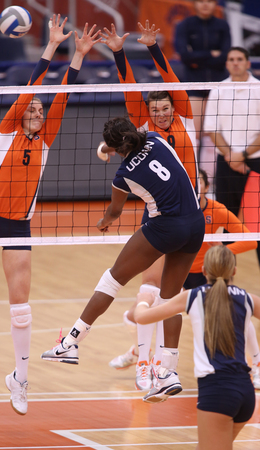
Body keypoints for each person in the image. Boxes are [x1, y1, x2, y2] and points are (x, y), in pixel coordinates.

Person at [0, 14, 101, 416]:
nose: (38, 111)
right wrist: (51, 46)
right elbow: (32, 89)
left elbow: (62, 96)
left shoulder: (47, 138)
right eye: (33, 109)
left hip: (20, 225)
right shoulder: (8, 130)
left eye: (41, 110)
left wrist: (78, 56)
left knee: (21, 309)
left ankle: (20, 380)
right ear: (22, 114)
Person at [41, 117, 205, 402]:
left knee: (112, 279)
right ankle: (167, 373)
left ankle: (71, 343)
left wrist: (104, 221)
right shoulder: (155, 138)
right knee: (169, 300)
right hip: (195, 224)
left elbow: (115, 212)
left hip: (166, 226)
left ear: (118, 148)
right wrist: (108, 147)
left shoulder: (124, 175)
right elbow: (132, 140)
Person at [98, 21, 199, 391]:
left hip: (193, 217)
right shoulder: (144, 133)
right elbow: (129, 90)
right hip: (160, 217)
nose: (159, 114)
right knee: (150, 290)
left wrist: (155, 49)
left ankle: (156, 361)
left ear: (174, 108)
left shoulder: (184, 117)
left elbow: (172, 82)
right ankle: (145, 366)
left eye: (163, 108)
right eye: (154, 110)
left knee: (182, 296)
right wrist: (118, 52)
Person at [109, 168, 260, 390]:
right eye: (189, 182)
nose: (193, 187)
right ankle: (138, 353)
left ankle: (256, 365)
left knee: (238, 312)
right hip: (176, 272)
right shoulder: (171, 208)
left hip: (205, 275)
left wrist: (219, 253)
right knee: (133, 317)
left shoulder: (217, 210)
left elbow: (251, 240)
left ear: (206, 188)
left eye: (198, 183)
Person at [134, 245, 259, 450]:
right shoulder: (248, 298)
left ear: (203, 271)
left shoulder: (193, 296)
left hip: (217, 393)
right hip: (246, 392)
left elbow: (142, 318)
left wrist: (143, 301)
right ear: (234, 270)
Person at [203, 46, 260, 264]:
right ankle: (223, 279)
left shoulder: (258, 88)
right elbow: (212, 129)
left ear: (247, 63)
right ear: (226, 64)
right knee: (228, 222)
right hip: (227, 164)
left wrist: (242, 155)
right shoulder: (218, 89)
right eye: (231, 59)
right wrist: (231, 156)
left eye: (239, 59)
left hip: (255, 163)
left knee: (258, 223)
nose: (235, 63)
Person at [174, 0, 231, 152]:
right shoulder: (184, 25)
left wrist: (197, 58)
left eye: (210, 1)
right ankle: (193, 174)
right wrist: (211, 54)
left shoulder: (222, 26)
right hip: (193, 85)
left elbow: (225, 56)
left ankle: (210, 175)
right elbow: (185, 56)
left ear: (215, 4)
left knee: (214, 134)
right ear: (194, 4)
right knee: (193, 135)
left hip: (218, 86)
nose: (205, 5)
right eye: (201, 1)